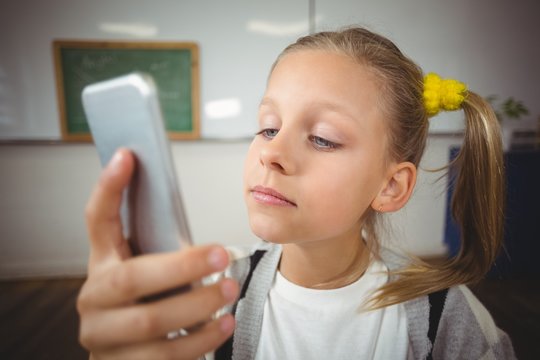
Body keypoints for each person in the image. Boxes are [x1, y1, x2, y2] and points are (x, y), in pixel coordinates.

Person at [77, 27, 516, 359]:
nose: (272, 152)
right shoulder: (209, 297)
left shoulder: (448, 322)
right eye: (268, 127)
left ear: (390, 185)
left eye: (323, 138)